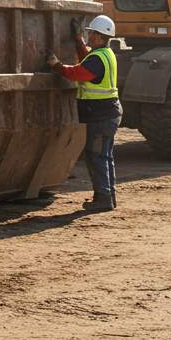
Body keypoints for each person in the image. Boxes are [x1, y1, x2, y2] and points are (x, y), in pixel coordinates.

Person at [45, 15, 121, 212]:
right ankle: (108, 196)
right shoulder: (105, 54)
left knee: (96, 157)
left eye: (91, 33)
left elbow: (77, 73)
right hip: (108, 114)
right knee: (105, 156)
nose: (89, 36)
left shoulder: (97, 59)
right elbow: (86, 57)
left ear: (99, 36)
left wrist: (56, 65)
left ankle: (103, 199)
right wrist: (78, 39)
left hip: (101, 116)